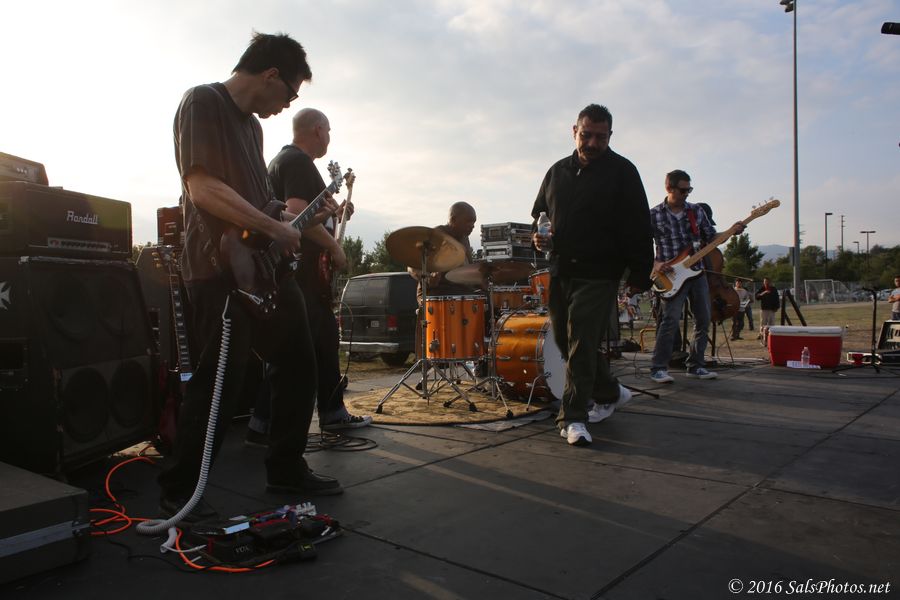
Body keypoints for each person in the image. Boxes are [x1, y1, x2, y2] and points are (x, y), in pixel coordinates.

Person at [158, 33, 342, 523]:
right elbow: (202, 188)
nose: (288, 106)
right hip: (216, 269)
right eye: (291, 93)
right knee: (219, 382)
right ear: (270, 76)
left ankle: (286, 468)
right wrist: (274, 226)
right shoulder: (203, 102)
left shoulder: (253, 130)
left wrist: (299, 217)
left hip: (262, 270)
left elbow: (262, 204)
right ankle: (179, 491)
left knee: (299, 360)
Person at [246, 108, 371, 439]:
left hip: (292, 269)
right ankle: (328, 415)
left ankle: (263, 424)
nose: (329, 137)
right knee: (319, 341)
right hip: (303, 270)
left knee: (302, 344)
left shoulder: (281, 161)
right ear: (318, 130)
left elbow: (304, 214)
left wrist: (334, 214)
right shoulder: (299, 162)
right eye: (328, 131)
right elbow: (297, 214)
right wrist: (334, 247)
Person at [532, 104, 653, 447]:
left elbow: (640, 226)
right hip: (561, 269)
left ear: (610, 136)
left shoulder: (623, 172)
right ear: (574, 131)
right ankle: (610, 391)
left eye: (601, 137)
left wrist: (639, 273)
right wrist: (537, 236)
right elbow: (539, 215)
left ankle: (573, 417)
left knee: (582, 341)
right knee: (563, 340)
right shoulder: (556, 172)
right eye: (586, 135)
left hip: (600, 271)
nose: (593, 143)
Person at [648, 170, 744, 383]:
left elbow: (711, 237)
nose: (686, 194)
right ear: (669, 188)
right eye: (683, 190)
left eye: (689, 190)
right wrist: (655, 264)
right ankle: (658, 368)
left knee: (703, 319)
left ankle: (696, 365)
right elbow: (641, 246)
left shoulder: (696, 211)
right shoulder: (654, 214)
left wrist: (730, 231)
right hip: (670, 275)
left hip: (697, 272)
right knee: (670, 321)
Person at [407, 202, 478, 301]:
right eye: (468, 221)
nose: (472, 226)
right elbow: (411, 267)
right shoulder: (436, 236)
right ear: (453, 220)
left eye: (473, 222)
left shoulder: (464, 238)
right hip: (436, 292)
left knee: (486, 297)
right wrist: (428, 278)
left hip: (459, 289)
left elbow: (470, 265)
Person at [756, 277, 780, 342]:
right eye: (764, 281)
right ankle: (761, 334)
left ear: (770, 282)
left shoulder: (774, 289)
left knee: (771, 323)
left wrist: (777, 307)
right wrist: (763, 293)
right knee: (763, 323)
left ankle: (771, 335)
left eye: (767, 281)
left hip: (772, 309)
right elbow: (757, 297)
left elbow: (777, 299)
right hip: (764, 309)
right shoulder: (762, 289)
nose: (766, 283)